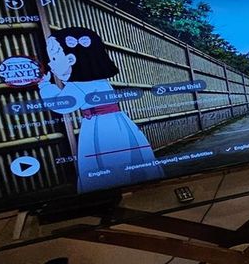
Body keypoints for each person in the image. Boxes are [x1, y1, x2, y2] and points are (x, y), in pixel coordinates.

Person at [39, 26, 163, 193]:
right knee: (129, 157)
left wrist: (45, 85)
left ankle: (111, 192)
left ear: (70, 60)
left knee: (105, 163)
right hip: (118, 123)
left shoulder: (80, 85)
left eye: (53, 58)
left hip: (99, 128)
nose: (50, 63)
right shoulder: (100, 81)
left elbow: (62, 105)